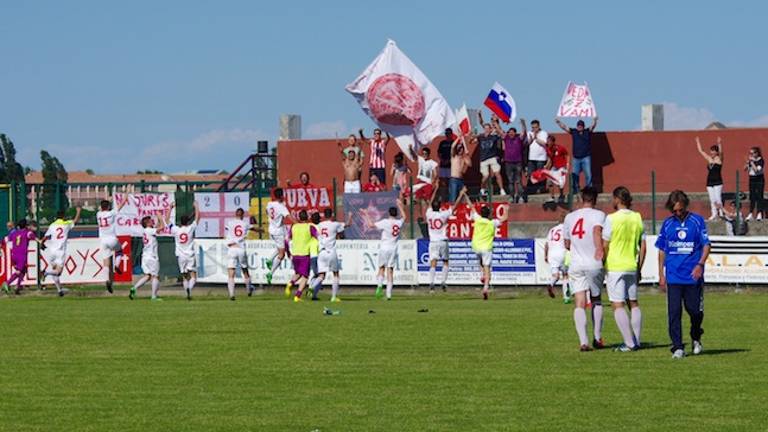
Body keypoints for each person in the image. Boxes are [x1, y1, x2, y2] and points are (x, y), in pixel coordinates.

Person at [656, 190, 710, 359]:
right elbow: (662, 250)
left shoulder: (697, 221)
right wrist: (661, 274)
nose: (678, 213)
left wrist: (700, 264)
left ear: (686, 205)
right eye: (674, 210)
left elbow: (706, 245)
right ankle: (678, 346)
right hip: (673, 276)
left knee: (695, 311)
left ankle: (696, 336)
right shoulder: (667, 224)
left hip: (693, 276)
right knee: (674, 312)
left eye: (680, 209)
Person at [602, 186, 646, 352]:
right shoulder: (637, 217)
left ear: (617, 199)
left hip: (615, 266)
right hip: (631, 266)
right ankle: (637, 340)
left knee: (617, 304)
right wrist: (639, 267)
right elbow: (643, 246)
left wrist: (602, 262)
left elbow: (605, 245)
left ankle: (629, 343)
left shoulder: (611, 218)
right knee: (633, 303)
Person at [563, 187, 606, 351]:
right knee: (596, 299)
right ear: (595, 199)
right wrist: (599, 249)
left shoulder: (569, 217)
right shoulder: (599, 215)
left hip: (576, 264)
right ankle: (597, 337)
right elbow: (598, 232)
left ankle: (583, 341)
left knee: (579, 302)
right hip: (594, 262)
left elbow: (567, 244)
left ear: (581, 199)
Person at [463, 193, 509, 300]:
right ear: (489, 215)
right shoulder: (492, 223)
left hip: (476, 246)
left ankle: (482, 275)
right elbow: (505, 218)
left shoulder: (478, 219)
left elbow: (471, 207)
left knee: (480, 263)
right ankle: (486, 287)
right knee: (487, 267)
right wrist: (506, 208)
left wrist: (465, 195)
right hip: (486, 247)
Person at [425, 187, 466, 292]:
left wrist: (435, 189)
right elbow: (455, 206)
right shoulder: (443, 214)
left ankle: (431, 283)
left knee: (433, 262)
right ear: (440, 206)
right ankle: (443, 282)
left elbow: (429, 203)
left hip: (433, 241)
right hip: (443, 241)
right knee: (445, 262)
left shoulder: (429, 214)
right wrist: (461, 194)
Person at [40, 207, 82, 297]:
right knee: (58, 272)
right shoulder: (66, 224)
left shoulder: (52, 225)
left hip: (52, 251)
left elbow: (45, 237)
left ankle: (59, 290)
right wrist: (78, 211)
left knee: (55, 271)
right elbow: (75, 221)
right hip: (60, 251)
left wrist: (42, 244)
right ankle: (45, 273)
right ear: (63, 216)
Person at [370, 199, 406, 300]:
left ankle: (379, 287)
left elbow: (371, 225)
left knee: (381, 268)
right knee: (390, 271)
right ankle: (388, 295)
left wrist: (366, 214)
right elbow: (404, 217)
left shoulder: (385, 222)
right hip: (393, 248)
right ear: (396, 214)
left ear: (388, 213)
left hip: (384, 247)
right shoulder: (398, 223)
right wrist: (400, 205)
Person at [310, 208, 346, 302]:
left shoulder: (319, 225)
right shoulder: (335, 224)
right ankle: (333, 297)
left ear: (324, 215)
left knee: (321, 275)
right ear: (332, 215)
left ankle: (312, 287)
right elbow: (342, 234)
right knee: (336, 274)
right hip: (331, 251)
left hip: (321, 252)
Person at [129, 213, 166, 301]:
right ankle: (153, 296)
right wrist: (160, 217)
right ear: (148, 223)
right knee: (155, 276)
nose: (152, 222)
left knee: (148, 276)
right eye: (151, 221)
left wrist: (158, 219)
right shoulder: (149, 230)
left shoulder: (146, 231)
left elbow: (157, 227)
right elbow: (162, 227)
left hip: (145, 256)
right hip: (152, 256)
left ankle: (134, 288)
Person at [555, 117, 598, 192]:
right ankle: (576, 189)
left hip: (586, 157)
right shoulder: (574, 131)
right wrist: (559, 122)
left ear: (583, 126)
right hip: (576, 158)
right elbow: (564, 127)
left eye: (581, 126)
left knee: (588, 174)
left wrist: (594, 120)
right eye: (578, 125)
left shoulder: (587, 131)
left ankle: (589, 190)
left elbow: (593, 126)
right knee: (575, 175)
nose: (579, 127)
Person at [225, 208, 259, 300]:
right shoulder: (245, 224)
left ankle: (232, 294)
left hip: (232, 248)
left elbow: (227, 229)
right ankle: (248, 290)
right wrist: (261, 230)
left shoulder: (230, 223)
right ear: (243, 215)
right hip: (241, 248)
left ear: (235, 214)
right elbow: (254, 228)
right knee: (245, 270)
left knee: (231, 272)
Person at [168, 201, 200, 300]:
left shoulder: (176, 230)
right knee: (193, 276)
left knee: (185, 276)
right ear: (188, 222)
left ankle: (187, 293)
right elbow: (197, 218)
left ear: (180, 222)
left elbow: (167, 221)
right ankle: (189, 289)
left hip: (180, 255)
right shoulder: (190, 228)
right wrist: (196, 207)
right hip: (190, 254)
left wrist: (170, 208)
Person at [96, 198, 128, 294]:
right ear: (109, 207)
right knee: (119, 250)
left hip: (103, 240)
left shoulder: (98, 214)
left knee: (106, 263)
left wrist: (106, 201)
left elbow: (101, 208)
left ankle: (107, 279)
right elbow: (121, 205)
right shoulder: (111, 213)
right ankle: (117, 265)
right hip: (112, 238)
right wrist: (125, 197)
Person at [471, 117, 507, 196]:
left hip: (493, 157)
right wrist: (472, 136)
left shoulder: (494, 137)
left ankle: (502, 190)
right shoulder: (481, 137)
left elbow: (502, 134)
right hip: (483, 159)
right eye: (485, 128)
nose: (486, 130)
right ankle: (482, 189)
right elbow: (472, 142)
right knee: (485, 176)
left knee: (497, 173)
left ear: (490, 129)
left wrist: (495, 122)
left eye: (488, 128)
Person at [289, 210, 319, 302]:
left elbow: (288, 238)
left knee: (298, 273)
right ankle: (297, 296)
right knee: (305, 276)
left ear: (299, 217)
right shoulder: (309, 227)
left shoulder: (294, 227)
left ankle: (291, 283)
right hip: (305, 254)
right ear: (307, 217)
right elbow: (318, 236)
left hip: (295, 254)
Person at [2, 219, 37, 295]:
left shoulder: (14, 233)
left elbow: (5, 240)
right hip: (22, 255)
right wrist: (39, 241)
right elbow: (32, 236)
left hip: (14, 255)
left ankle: (17, 287)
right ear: (26, 225)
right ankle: (7, 283)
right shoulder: (27, 232)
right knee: (19, 272)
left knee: (23, 271)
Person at [530, 136, 569, 204]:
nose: (548, 142)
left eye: (549, 141)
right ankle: (552, 197)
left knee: (560, 182)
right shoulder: (548, 149)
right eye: (547, 141)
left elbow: (567, 154)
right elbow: (550, 159)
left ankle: (561, 196)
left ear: (553, 142)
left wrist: (567, 164)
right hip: (554, 167)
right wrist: (546, 166)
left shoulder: (560, 148)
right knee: (549, 181)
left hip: (561, 167)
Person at [544, 204, 571, 302]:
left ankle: (551, 284)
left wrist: (545, 255)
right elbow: (568, 242)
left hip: (552, 254)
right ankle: (566, 298)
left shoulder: (552, 229)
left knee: (555, 276)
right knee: (565, 275)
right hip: (562, 252)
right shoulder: (566, 229)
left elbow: (546, 244)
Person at [266, 188, 291, 286]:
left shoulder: (269, 204)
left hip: (271, 229)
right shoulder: (281, 207)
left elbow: (266, 211)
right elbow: (288, 216)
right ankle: (270, 273)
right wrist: (298, 223)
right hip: (278, 231)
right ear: (281, 196)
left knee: (280, 247)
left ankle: (270, 259)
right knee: (282, 254)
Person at [695, 136, 723, 221]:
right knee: (712, 199)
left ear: (716, 152)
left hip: (718, 182)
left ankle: (721, 213)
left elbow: (721, 152)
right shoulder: (709, 159)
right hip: (709, 182)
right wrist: (698, 142)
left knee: (718, 198)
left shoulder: (719, 159)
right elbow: (701, 151)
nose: (711, 152)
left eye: (713, 151)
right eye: (711, 151)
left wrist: (719, 143)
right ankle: (714, 214)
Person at [408, 147, 439, 219]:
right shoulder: (420, 159)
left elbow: (435, 173)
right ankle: (421, 216)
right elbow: (414, 156)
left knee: (427, 200)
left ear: (428, 154)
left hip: (427, 183)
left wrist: (433, 181)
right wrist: (410, 149)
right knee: (418, 199)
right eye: (423, 153)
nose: (424, 155)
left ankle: (430, 215)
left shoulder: (432, 163)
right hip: (420, 181)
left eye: (426, 154)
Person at [503, 119, 527, 203]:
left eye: (512, 132)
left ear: (515, 133)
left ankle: (520, 197)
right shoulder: (506, 138)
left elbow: (524, 132)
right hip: (508, 163)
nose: (511, 133)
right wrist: (495, 122)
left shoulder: (519, 139)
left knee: (518, 181)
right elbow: (499, 131)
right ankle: (511, 197)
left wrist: (523, 124)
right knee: (510, 181)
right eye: (509, 132)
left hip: (518, 163)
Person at [526, 120, 549, 194]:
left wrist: (536, 138)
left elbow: (545, 143)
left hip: (541, 158)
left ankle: (541, 189)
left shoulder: (544, 133)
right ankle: (532, 189)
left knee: (540, 174)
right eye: (532, 127)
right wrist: (532, 138)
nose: (534, 129)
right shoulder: (529, 133)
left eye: (535, 127)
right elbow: (528, 143)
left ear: (539, 126)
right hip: (531, 157)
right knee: (531, 174)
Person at [745, 146, 764, 221]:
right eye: (750, 153)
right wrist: (747, 163)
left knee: (759, 196)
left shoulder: (761, 160)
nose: (751, 155)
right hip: (752, 179)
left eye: (752, 153)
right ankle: (751, 213)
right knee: (752, 196)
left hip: (759, 179)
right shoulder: (751, 161)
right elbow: (745, 169)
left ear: (757, 153)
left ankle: (759, 213)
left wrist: (752, 162)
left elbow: (756, 170)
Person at [437, 128, 456, 197]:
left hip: (451, 166)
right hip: (443, 165)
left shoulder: (454, 142)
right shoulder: (442, 143)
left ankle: (450, 195)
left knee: (450, 181)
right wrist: (442, 160)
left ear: (451, 134)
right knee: (443, 181)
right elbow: (439, 153)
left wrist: (449, 160)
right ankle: (444, 196)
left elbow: (455, 154)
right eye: (446, 133)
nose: (447, 135)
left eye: (449, 133)